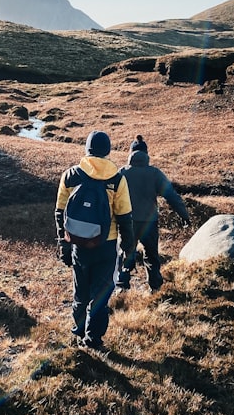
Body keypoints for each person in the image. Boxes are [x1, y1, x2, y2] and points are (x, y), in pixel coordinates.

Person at [55, 130, 134, 351]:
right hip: (106, 245)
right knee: (100, 295)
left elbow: (60, 213)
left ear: (87, 149)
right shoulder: (117, 179)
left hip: (78, 245)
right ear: (107, 151)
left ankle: (78, 330)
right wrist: (128, 250)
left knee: (80, 291)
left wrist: (64, 243)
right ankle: (93, 340)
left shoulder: (71, 175)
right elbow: (125, 218)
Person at [117, 134, 190, 293]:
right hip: (149, 221)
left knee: (125, 252)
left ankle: (122, 287)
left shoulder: (122, 172)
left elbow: (111, 196)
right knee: (151, 255)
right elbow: (171, 195)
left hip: (127, 221)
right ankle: (155, 287)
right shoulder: (155, 173)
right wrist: (184, 215)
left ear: (130, 154)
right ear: (146, 155)